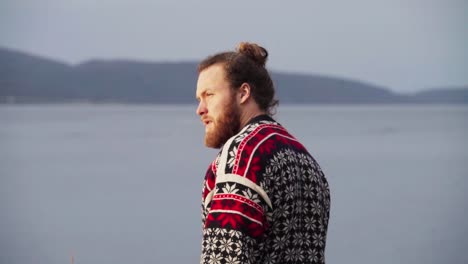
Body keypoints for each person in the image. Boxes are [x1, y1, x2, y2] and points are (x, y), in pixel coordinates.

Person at [195, 42, 330, 264]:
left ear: (243, 93)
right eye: (199, 99)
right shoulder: (304, 159)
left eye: (209, 95)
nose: (200, 109)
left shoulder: (241, 156)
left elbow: (226, 257)